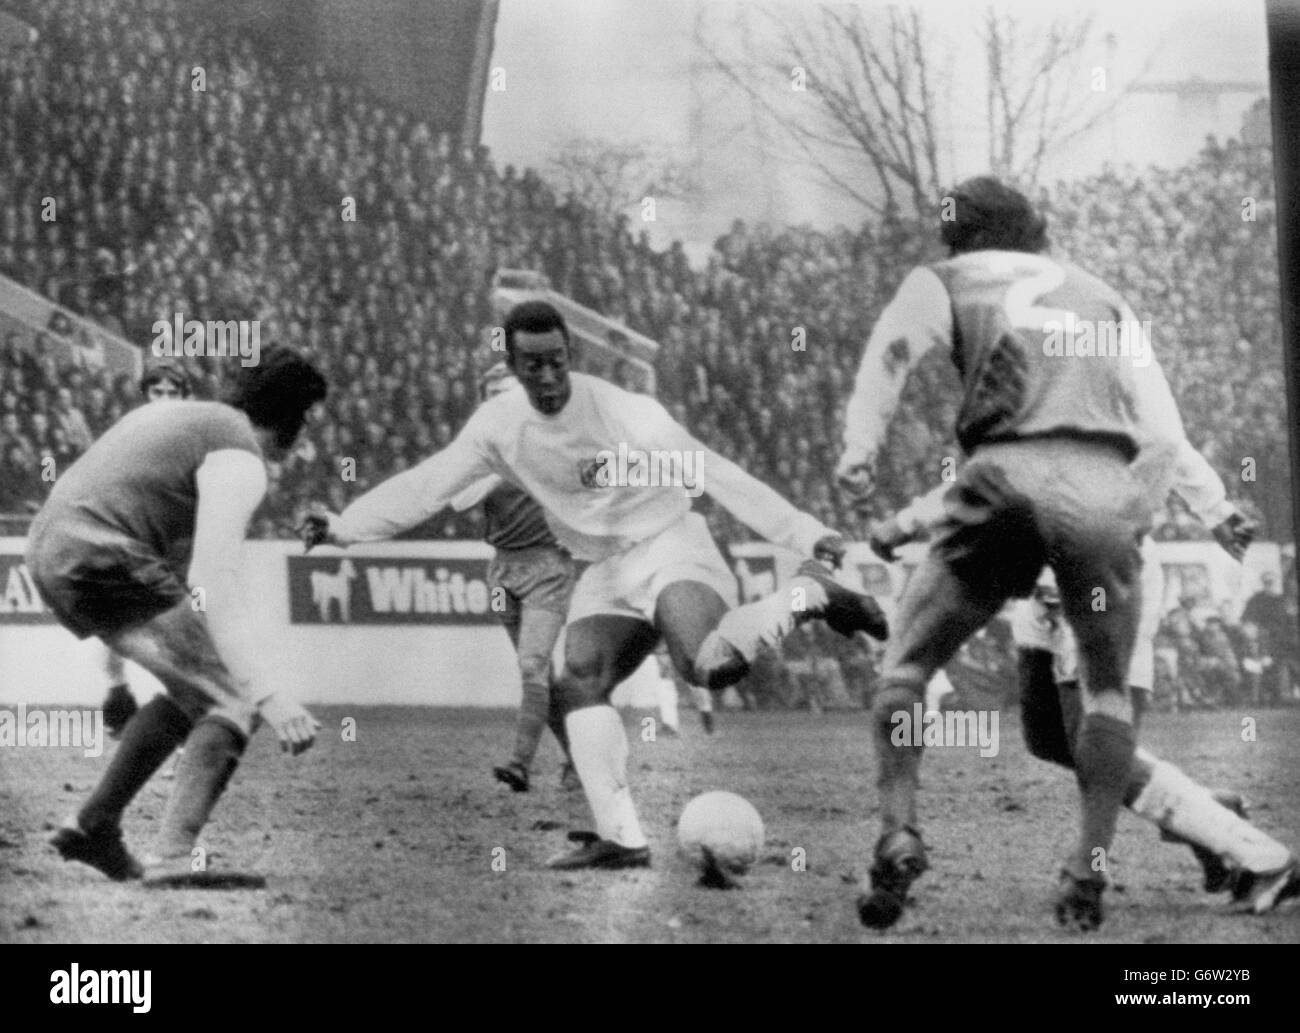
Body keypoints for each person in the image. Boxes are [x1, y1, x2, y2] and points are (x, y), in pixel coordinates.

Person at [304, 300, 887, 870]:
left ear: (570, 354)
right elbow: (425, 486)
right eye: (533, 365)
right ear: (512, 366)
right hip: (605, 568)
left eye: (558, 361)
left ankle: (811, 593)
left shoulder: (621, 410)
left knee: (709, 667)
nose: (549, 375)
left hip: (670, 541)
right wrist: (343, 526)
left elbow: (712, 469)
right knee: (574, 683)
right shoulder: (498, 428)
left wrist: (804, 533)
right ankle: (621, 839)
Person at [836, 176, 1206, 931]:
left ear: (957, 237)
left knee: (906, 667)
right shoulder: (1102, 293)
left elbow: (892, 355)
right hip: (1102, 486)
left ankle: (899, 828)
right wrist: (1128, 512)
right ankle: (1086, 868)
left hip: (1000, 475)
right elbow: (1165, 434)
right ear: (1033, 229)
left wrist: (859, 448)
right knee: (1104, 694)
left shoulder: (942, 278)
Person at [28, 347, 327, 886]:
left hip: (54, 552)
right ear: (294, 416)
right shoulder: (238, 453)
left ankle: (94, 824)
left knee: (193, 692)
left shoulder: (184, 419)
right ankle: (172, 857)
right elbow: (211, 583)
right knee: (233, 696)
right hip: (101, 551)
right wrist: (267, 691)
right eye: (307, 419)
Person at [450, 363, 578, 793]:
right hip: (501, 574)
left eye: (505, 393)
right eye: (491, 395)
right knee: (540, 675)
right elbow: (459, 499)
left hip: (547, 569)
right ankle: (580, 761)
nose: (498, 402)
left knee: (533, 666)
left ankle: (520, 764)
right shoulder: (483, 448)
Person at [101, 361, 195, 739]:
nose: (165, 399)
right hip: (135, 538)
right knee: (112, 621)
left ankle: (182, 719)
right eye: (158, 392)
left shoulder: (193, 436)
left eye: (174, 393)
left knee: (184, 632)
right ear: (146, 395)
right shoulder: (127, 434)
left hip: (179, 544)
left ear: (185, 396)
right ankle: (118, 693)